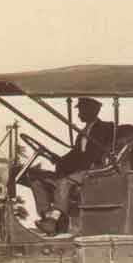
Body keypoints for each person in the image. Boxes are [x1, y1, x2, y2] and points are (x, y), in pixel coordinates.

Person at [28, 97, 115, 234]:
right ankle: (46, 216)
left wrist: (69, 167)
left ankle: (53, 221)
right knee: (36, 178)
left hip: (94, 171)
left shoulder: (104, 128)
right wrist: (58, 159)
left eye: (81, 110)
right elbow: (76, 153)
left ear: (91, 110)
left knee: (64, 182)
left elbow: (94, 154)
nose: (78, 114)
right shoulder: (83, 133)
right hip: (79, 171)